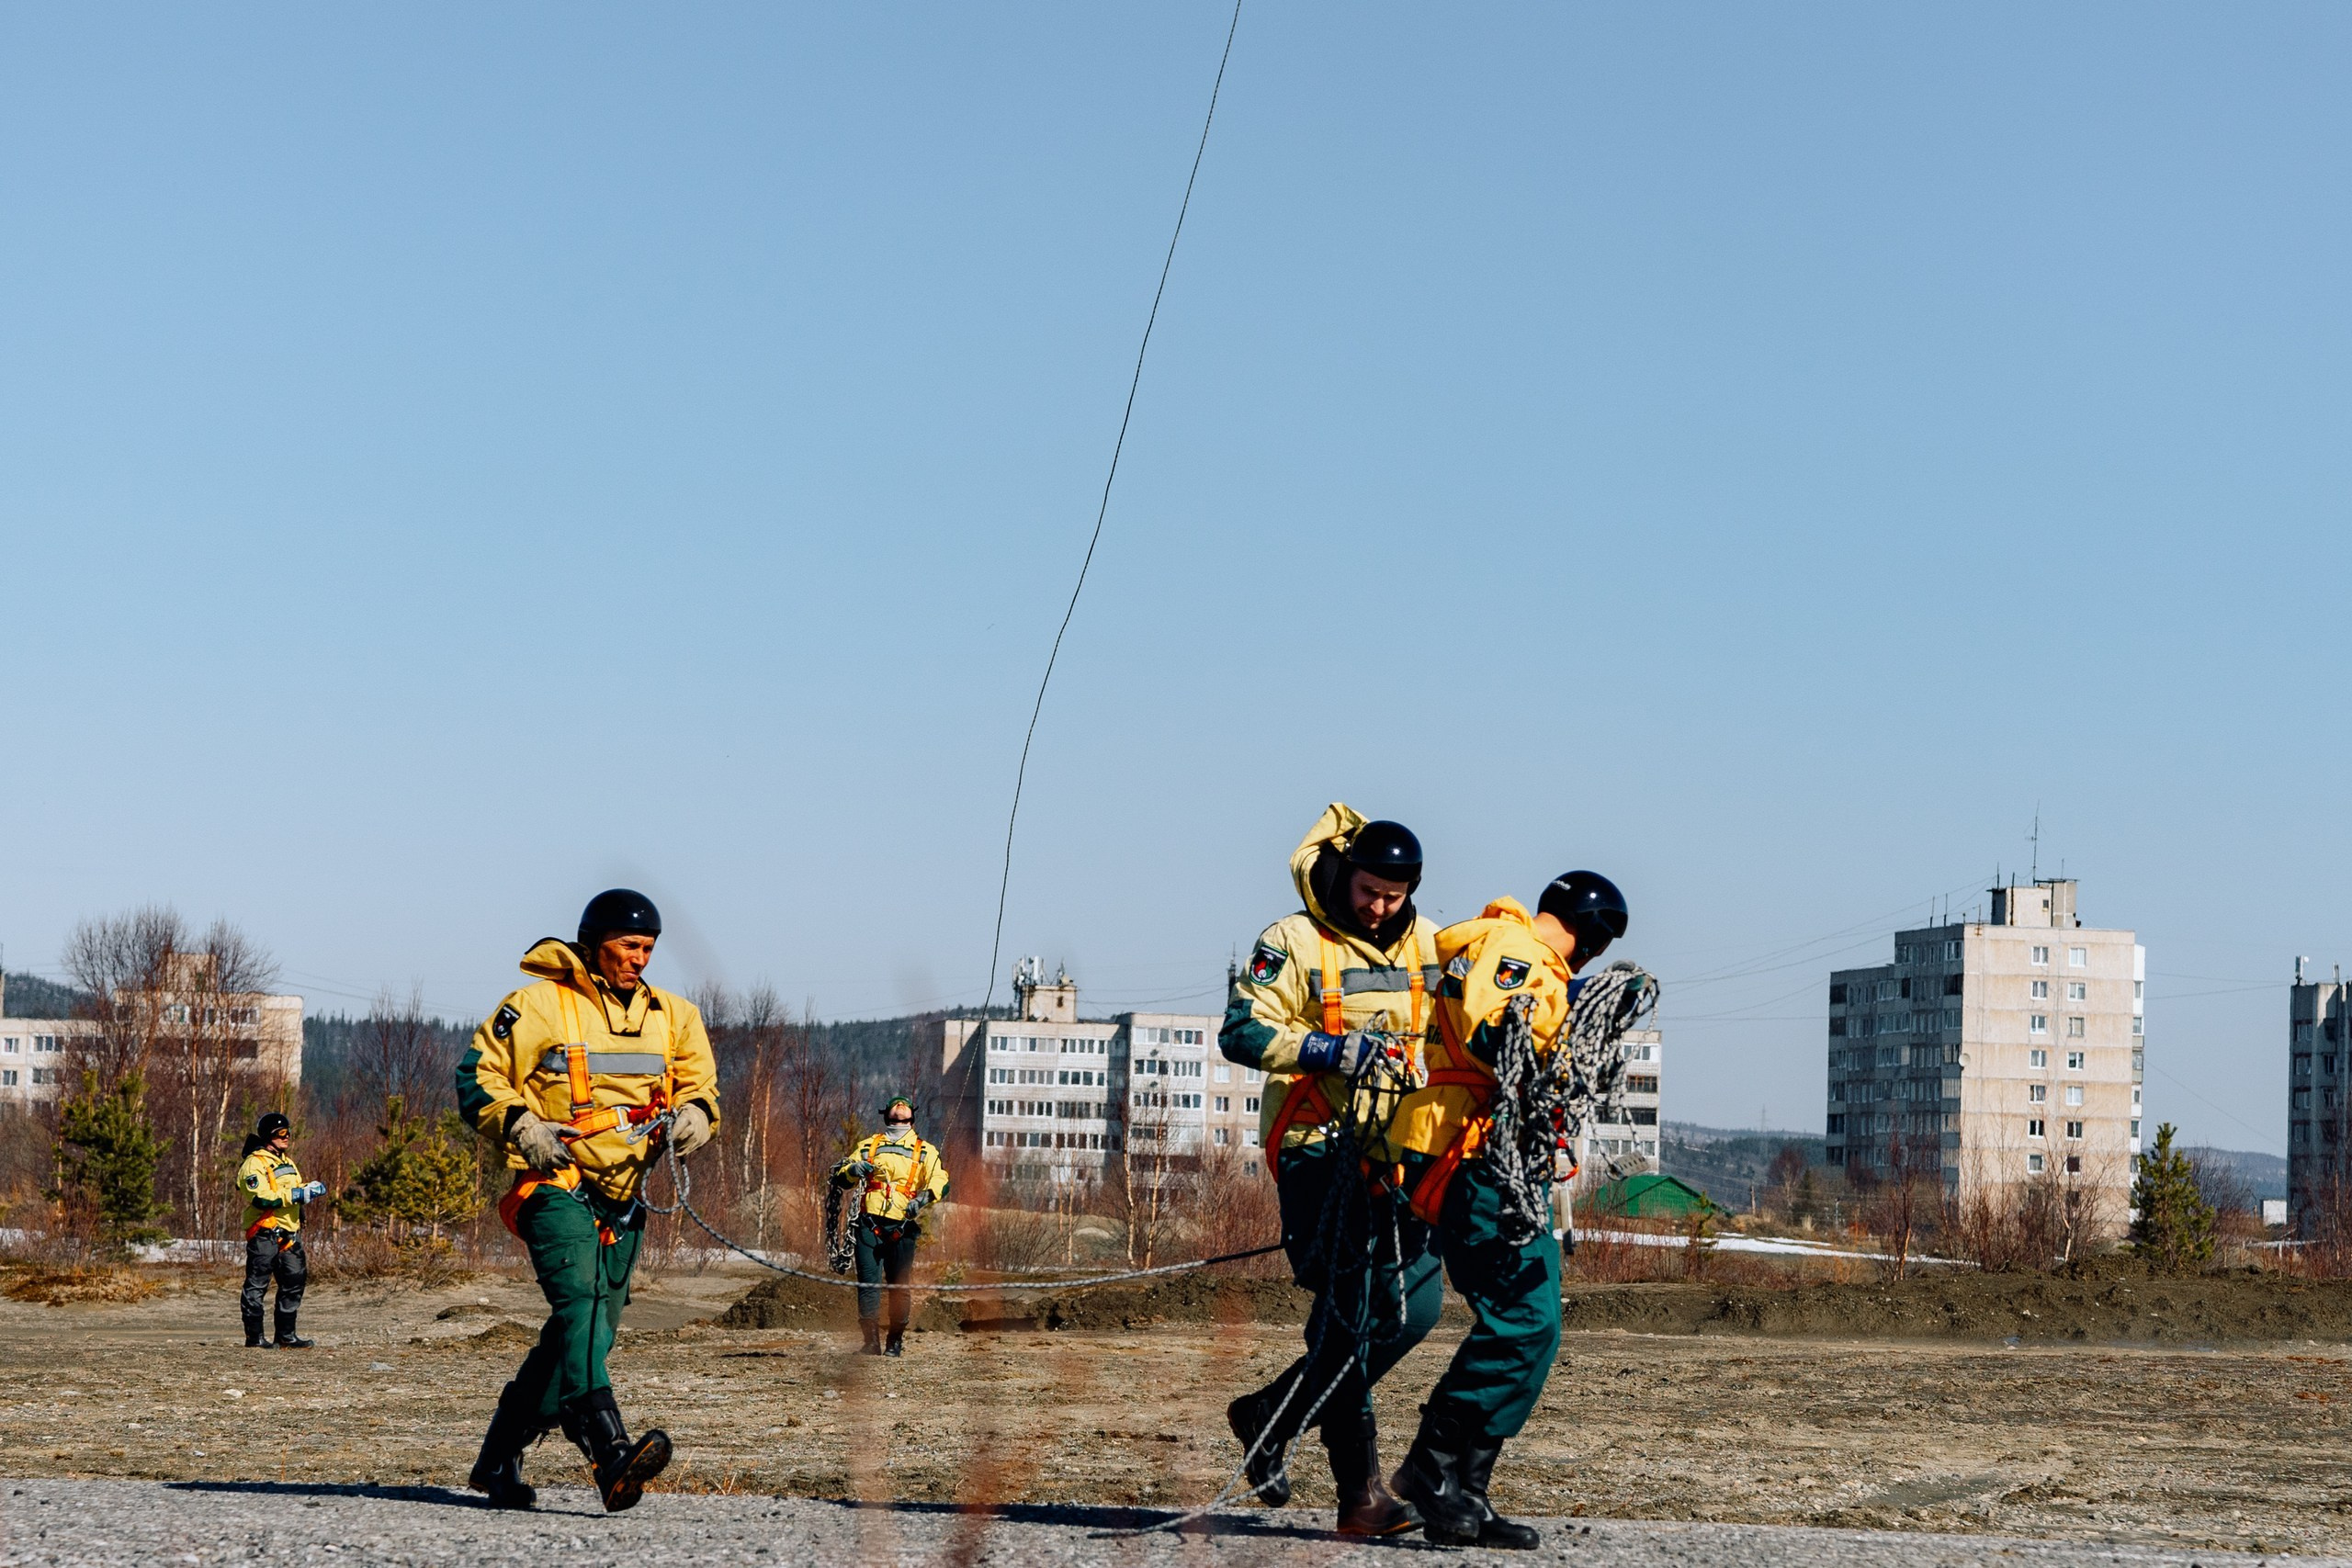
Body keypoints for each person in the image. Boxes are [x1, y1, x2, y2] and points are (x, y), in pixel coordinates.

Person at [1216, 804, 1445, 1536]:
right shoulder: (1292, 941)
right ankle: (1362, 1496)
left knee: (1414, 1310)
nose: (1379, 907)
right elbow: (1241, 1031)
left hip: (1402, 1154)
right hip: (1316, 1147)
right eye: (1369, 891)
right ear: (1346, 874)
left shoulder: (1435, 946)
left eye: (1393, 896)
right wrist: (1327, 1049)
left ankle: (1271, 1414)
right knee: (1349, 1314)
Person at [453, 888, 719, 1513]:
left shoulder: (676, 1016)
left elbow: (702, 1089)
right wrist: (523, 1125)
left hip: (626, 1199)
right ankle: (607, 1446)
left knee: (590, 1333)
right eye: (628, 946)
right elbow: (476, 1076)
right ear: (595, 943)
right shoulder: (539, 1004)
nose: (639, 958)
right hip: (555, 1183)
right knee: (580, 1305)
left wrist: (697, 1117)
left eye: (648, 948)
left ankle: (498, 1456)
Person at [1388, 870, 1629, 1550]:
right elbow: (1496, 1032)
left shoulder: (1530, 960)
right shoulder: (1512, 947)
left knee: (1538, 1324)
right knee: (1523, 1319)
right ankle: (1430, 1465)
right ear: (1593, 933)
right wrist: (1571, 1024)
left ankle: (1467, 1488)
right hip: (1477, 1160)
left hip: (1508, 1162)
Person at [831, 1096, 949, 1356]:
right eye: (896, 1103)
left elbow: (940, 1179)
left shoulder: (925, 1150)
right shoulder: (868, 1146)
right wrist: (853, 1170)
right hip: (868, 1225)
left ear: (912, 1116)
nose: (900, 1104)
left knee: (899, 1286)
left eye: (904, 1103)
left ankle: (895, 1341)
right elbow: (842, 1177)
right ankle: (871, 1342)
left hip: (902, 1227)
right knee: (868, 1284)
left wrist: (924, 1198)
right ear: (886, 1114)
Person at [236, 1111, 324, 1348]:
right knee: (257, 1284)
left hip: (290, 1234)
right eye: (281, 1133)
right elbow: (260, 1197)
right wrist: (296, 1194)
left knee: (294, 1282)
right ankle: (255, 1338)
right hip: (264, 1232)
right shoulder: (254, 1163)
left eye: (288, 1132)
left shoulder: (287, 1162)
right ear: (268, 1136)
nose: (287, 1137)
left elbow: (291, 1190)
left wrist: (307, 1191)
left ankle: (286, 1336)